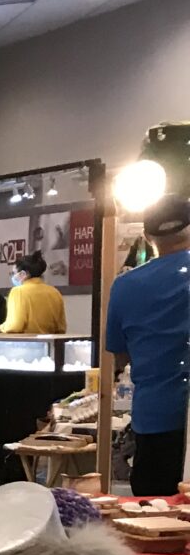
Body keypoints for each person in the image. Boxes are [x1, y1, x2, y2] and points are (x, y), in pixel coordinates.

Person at [106, 193, 190, 495]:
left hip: (155, 415)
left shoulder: (126, 285)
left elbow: (119, 352)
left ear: (146, 236)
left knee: (152, 515)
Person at [0, 251, 68, 334]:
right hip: (49, 343)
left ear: (23, 274)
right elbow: (61, 327)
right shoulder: (54, 292)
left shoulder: (19, 291)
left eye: (13, 273)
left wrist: (1, 327)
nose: (12, 276)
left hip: (26, 343)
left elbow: (14, 326)